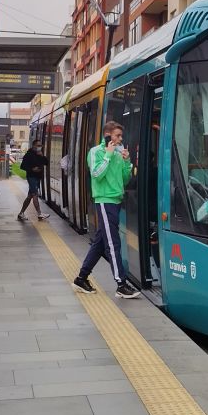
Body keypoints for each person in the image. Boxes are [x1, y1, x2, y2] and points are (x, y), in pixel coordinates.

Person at [72, 121, 139, 299]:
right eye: (117, 136)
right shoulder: (96, 152)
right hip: (104, 200)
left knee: (101, 243)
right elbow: (96, 174)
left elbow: (124, 180)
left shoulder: (118, 153)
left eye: (121, 136)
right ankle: (121, 284)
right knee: (112, 243)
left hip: (116, 200)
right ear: (108, 135)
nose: (120, 139)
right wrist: (108, 155)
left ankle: (81, 278)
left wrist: (127, 161)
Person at [16, 139, 51, 221]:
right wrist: (32, 169)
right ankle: (39, 214)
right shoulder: (28, 155)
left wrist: (42, 156)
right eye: (38, 145)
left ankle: (21, 213)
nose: (39, 147)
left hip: (37, 177)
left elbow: (46, 162)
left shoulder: (39, 155)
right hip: (31, 177)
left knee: (29, 196)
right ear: (33, 146)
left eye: (40, 146)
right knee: (35, 194)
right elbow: (22, 166)